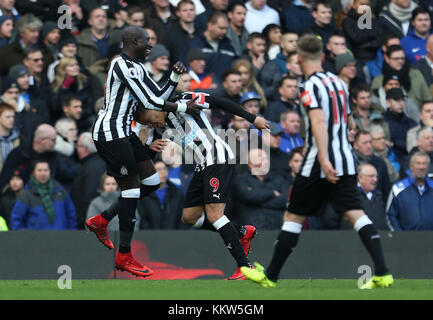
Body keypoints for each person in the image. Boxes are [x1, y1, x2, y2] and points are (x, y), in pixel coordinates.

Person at [241, 34, 393, 289]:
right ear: (323, 56)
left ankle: (271, 275)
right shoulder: (339, 82)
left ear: (299, 59)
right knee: (355, 213)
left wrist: (323, 158)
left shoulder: (309, 86)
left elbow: (319, 122)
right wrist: (347, 135)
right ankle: (383, 271)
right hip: (345, 159)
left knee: (294, 215)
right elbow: (350, 121)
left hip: (318, 161)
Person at [85, 26, 202, 278]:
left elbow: (157, 95)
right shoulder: (120, 64)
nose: (150, 44)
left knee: (150, 182)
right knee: (132, 189)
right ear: (133, 41)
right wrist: (182, 107)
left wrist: (172, 78)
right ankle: (124, 255)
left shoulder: (139, 67)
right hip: (110, 132)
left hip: (123, 133)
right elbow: (150, 102)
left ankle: (101, 220)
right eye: (146, 40)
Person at [134, 89, 269, 280]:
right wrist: (147, 146)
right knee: (190, 217)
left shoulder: (183, 101)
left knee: (215, 215)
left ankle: (245, 267)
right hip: (202, 164)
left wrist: (252, 118)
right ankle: (241, 231)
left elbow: (220, 101)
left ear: (155, 107)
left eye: (150, 118)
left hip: (217, 157)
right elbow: (144, 157)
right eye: (147, 123)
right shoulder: (158, 127)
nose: (152, 124)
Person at [10, 159, 77, 230]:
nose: (43, 173)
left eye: (46, 170)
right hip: (36, 240)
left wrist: (70, 235)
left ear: (50, 172)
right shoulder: (26, 194)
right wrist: (27, 238)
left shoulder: (60, 190)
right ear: (33, 172)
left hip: (61, 238)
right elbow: (16, 221)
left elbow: (71, 216)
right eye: (39, 170)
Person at [231, 148, 289, 229]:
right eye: (261, 159)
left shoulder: (279, 179)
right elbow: (248, 196)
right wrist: (273, 193)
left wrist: (257, 202)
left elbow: (286, 199)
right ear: (251, 164)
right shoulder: (240, 180)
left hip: (277, 228)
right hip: (251, 231)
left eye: (267, 159)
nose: (266, 162)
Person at [182, 11, 236, 82]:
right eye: (221, 28)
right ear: (210, 26)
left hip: (223, 90)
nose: (224, 32)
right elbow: (184, 67)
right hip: (198, 89)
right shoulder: (193, 44)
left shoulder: (229, 47)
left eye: (226, 28)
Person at [387, 151, 433, 230]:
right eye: (418, 163)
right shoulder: (398, 188)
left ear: (428, 167)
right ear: (411, 166)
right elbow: (390, 215)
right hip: (406, 240)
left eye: (424, 164)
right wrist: (399, 235)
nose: (421, 167)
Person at [70, 132, 106, 229]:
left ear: (85, 148)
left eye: (78, 146)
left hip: (87, 220)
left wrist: (82, 220)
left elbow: (89, 195)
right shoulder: (95, 163)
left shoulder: (92, 167)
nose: (76, 148)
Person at [137, 160, 185, 229]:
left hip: (174, 237)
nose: (163, 172)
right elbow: (143, 220)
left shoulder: (177, 193)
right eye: (158, 169)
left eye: (164, 169)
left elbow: (182, 218)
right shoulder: (144, 195)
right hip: (150, 237)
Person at [353, 130, 392, 200]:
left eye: (370, 142)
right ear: (355, 145)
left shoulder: (380, 163)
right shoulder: (350, 163)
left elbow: (386, 190)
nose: (369, 146)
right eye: (365, 143)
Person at [383, 87, 417, 159]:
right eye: (397, 100)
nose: (401, 103)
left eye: (402, 100)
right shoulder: (382, 123)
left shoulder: (411, 122)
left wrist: (394, 144)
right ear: (388, 103)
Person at [357, 164, 390, 230]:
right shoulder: (351, 196)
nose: (375, 179)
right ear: (360, 178)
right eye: (371, 176)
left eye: (376, 176)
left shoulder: (379, 196)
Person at [164, 0, 198, 64]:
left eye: (191, 10)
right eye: (185, 10)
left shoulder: (201, 33)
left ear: (195, 12)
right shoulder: (171, 35)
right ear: (178, 13)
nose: (189, 13)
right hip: (179, 71)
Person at [0, 102, 20, 172]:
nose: (12, 119)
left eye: (13, 117)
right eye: (7, 117)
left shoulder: (19, 139)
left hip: (14, 180)